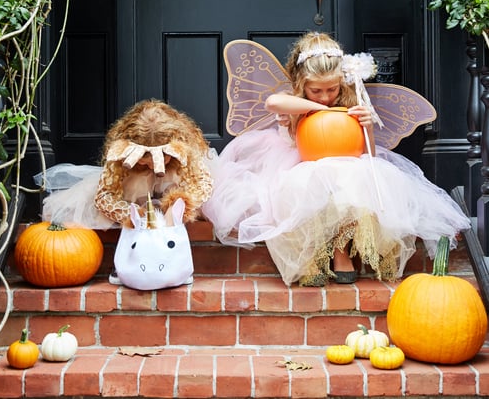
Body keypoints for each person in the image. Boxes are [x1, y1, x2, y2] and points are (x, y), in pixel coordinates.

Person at [202, 32, 471, 286]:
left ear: (341, 82)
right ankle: (311, 256)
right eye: (315, 91)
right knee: (302, 187)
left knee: (355, 180)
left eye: (331, 90)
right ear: (301, 84)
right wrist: (317, 109)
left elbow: (369, 154)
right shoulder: (291, 101)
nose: (326, 97)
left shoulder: (351, 101)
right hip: (294, 163)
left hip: (343, 164)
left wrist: (366, 126)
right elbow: (273, 103)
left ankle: (341, 251)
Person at [40, 99, 213, 229]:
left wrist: (177, 207)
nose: (153, 166)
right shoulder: (122, 154)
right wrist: (137, 216)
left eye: (160, 158)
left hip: (173, 189)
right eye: (146, 160)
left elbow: (201, 185)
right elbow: (104, 196)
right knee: (66, 212)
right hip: (133, 195)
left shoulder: (184, 151)